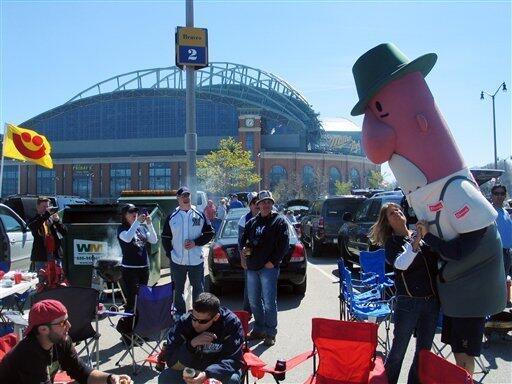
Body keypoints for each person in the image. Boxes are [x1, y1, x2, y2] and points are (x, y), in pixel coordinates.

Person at [368, 203, 439, 384]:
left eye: (399, 210)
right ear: (387, 222)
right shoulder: (393, 242)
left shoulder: (419, 234)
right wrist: (415, 242)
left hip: (430, 301)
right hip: (408, 302)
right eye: (392, 213)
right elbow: (401, 264)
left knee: (423, 351)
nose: (398, 213)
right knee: (398, 351)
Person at [416, 219, 488, 376]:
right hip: (455, 302)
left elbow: (455, 252)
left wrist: (427, 235)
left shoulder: (477, 227)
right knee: (458, 351)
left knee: (464, 354)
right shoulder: (461, 228)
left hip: (468, 303)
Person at [0, 299, 132, 384]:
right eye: (63, 323)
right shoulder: (29, 354)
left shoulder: (61, 340)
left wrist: (110, 378)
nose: (69, 325)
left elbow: (81, 371)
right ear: (43, 329)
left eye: (67, 319)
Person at [158, 292, 244, 384]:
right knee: (165, 377)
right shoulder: (184, 322)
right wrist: (190, 345)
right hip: (192, 369)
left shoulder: (231, 323)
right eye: (194, 318)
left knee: (233, 379)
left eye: (202, 321)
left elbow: (234, 359)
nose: (196, 324)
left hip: (218, 370)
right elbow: (171, 360)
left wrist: (207, 374)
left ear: (216, 317)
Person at [240, 190, 289, 346]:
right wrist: (245, 255)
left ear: (272, 204)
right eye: (263, 202)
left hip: (269, 268)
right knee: (254, 301)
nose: (266, 205)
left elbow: (284, 245)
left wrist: (273, 261)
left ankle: (270, 332)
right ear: (257, 205)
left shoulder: (279, 221)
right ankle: (259, 328)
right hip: (252, 268)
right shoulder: (252, 223)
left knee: (269, 302)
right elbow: (243, 242)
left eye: (269, 202)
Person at [162, 187, 215, 317]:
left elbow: (210, 233)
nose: (186, 198)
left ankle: (198, 313)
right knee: (178, 289)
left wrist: (195, 243)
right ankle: (179, 314)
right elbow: (165, 237)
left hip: (196, 260)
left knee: (198, 289)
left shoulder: (199, 214)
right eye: (183, 196)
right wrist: (171, 254)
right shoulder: (172, 216)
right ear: (178, 199)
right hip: (177, 260)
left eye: (188, 196)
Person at [117, 203, 157, 314]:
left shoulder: (141, 228)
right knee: (132, 297)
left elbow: (154, 240)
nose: (134, 213)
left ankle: (140, 319)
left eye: (135, 211)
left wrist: (149, 224)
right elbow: (128, 238)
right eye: (131, 212)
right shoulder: (121, 229)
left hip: (144, 268)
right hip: (130, 269)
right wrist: (137, 222)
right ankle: (129, 322)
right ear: (125, 215)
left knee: (143, 295)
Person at [27, 197, 67, 272]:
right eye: (44, 207)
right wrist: (46, 215)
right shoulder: (34, 219)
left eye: (47, 206)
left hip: (55, 254)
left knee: (57, 279)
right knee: (42, 279)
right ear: (38, 207)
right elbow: (33, 226)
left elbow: (64, 232)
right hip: (41, 255)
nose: (46, 209)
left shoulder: (52, 218)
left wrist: (57, 221)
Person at [237, 192, 259, 315]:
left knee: (264, 288)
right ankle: (247, 312)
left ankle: (261, 313)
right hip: (250, 256)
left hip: (265, 258)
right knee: (250, 286)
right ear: (250, 205)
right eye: (254, 203)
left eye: (258, 203)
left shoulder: (267, 217)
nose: (256, 205)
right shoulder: (244, 219)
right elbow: (241, 242)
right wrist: (243, 258)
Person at [491, 185, 512, 280]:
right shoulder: (489, 212)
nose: (499, 196)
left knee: (503, 281)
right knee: (496, 282)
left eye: (502, 193)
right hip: (497, 253)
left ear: (505, 196)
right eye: (496, 193)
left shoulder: (506, 212)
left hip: (508, 253)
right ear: (492, 195)